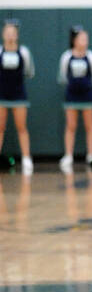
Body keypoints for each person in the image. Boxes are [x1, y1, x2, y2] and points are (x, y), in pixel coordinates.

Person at [58, 27, 92, 173]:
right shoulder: (66, 57)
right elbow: (63, 76)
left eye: (86, 38)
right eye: (82, 38)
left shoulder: (91, 57)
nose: (85, 41)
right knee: (71, 125)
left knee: (90, 125)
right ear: (74, 40)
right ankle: (68, 155)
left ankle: (91, 155)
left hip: (88, 95)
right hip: (71, 95)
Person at [0, 19, 34, 175]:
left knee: (21, 127)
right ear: (3, 34)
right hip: (2, 94)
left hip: (19, 94)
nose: (10, 35)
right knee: (0, 128)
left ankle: (26, 159)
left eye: (13, 33)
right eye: (7, 33)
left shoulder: (23, 52)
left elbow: (29, 71)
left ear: (17, 35)